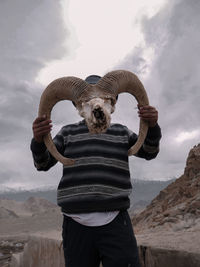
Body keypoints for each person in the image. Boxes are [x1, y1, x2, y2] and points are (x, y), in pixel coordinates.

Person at [31, 75, 161, 267]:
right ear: (78, 108)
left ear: (112, 104)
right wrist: (39, 140)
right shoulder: (67, 133)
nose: (95, 104)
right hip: (76, 225)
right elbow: (43, 163)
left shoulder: (121, 132)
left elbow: (149, 151)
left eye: (105, 98)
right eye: (86, 101)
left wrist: (151, 126)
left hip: (116, 222)